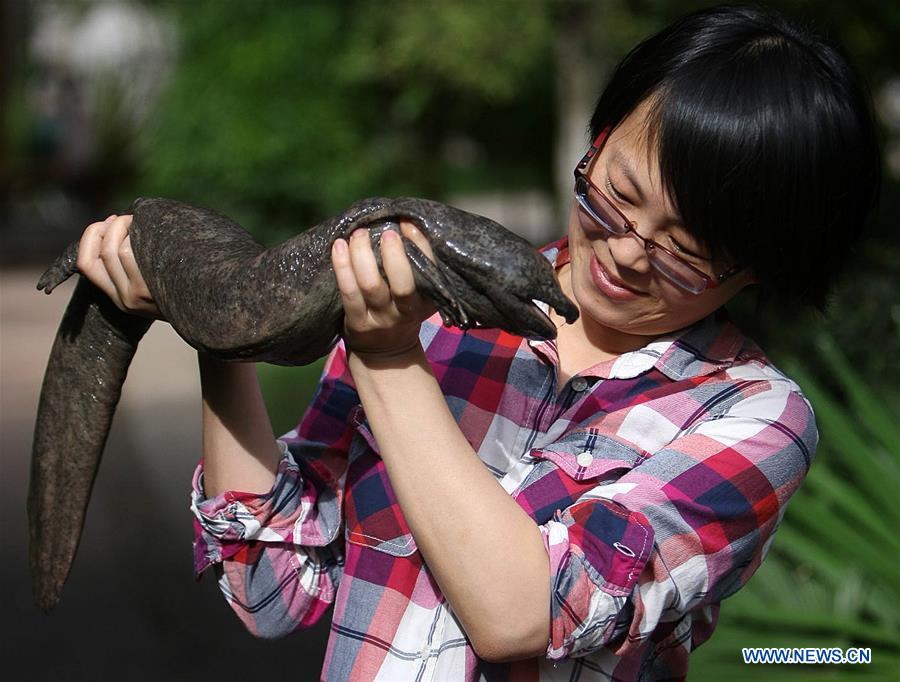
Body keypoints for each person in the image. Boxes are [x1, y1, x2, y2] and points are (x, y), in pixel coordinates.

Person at [76, 4, 880, 680]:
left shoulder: (756, 421)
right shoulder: (424, 303)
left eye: (689, 245)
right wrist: (220, 323)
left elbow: (519, 612)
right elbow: (271, 589)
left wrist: (389, 360)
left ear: (763, 269)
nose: (630, 251)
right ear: (595, 141)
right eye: (619, 195)